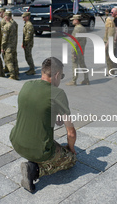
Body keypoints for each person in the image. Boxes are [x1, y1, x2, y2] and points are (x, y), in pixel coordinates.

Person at [10, 57, 77, 193]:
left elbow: (37, 112)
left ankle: (35, 161)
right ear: (57, 74)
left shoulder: (27, 85)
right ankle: (34, 170)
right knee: (71, 160)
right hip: (38, 150)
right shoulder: (57, 94)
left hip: (16, 142)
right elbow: (71, 133)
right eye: (62, 76)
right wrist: (71, 149)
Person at [66, 15, 89, 86]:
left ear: (76, 20)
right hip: (81, 49)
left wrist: (73, 52)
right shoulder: (83, 28)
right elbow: (85, 40)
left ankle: (74, 81)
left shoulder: (77, 29)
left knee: (75, 64)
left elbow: (75, 42)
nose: (72, 21)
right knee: (82, 64)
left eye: (73, 20)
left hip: (76, 50)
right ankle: (86, 79)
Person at [2, 11, 19, 80]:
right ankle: (15, 73)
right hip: (13, 45)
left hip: (8, 46)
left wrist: (2, 47)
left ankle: (12, 75)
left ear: (6, 17)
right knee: (14, 60)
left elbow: (4, 38)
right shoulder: (13, 24)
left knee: (9, 61)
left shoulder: (6, 26)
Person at [104, 11, 115, 76]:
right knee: (108, 58)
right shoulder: (109, 27)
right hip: (107, 42)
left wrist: (106, 46)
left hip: (109, 44)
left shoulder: (111, 28)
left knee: (109, 58)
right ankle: (110, 71)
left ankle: (111, 72)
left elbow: (110, 38)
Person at [0, 8, 9, 73]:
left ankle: (8, 69)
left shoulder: (3, 21)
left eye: (0, 13)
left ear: (4, 12)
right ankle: (7, 68)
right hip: (7, 40)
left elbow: (3, 33)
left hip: (5, 40)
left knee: (5, 56)